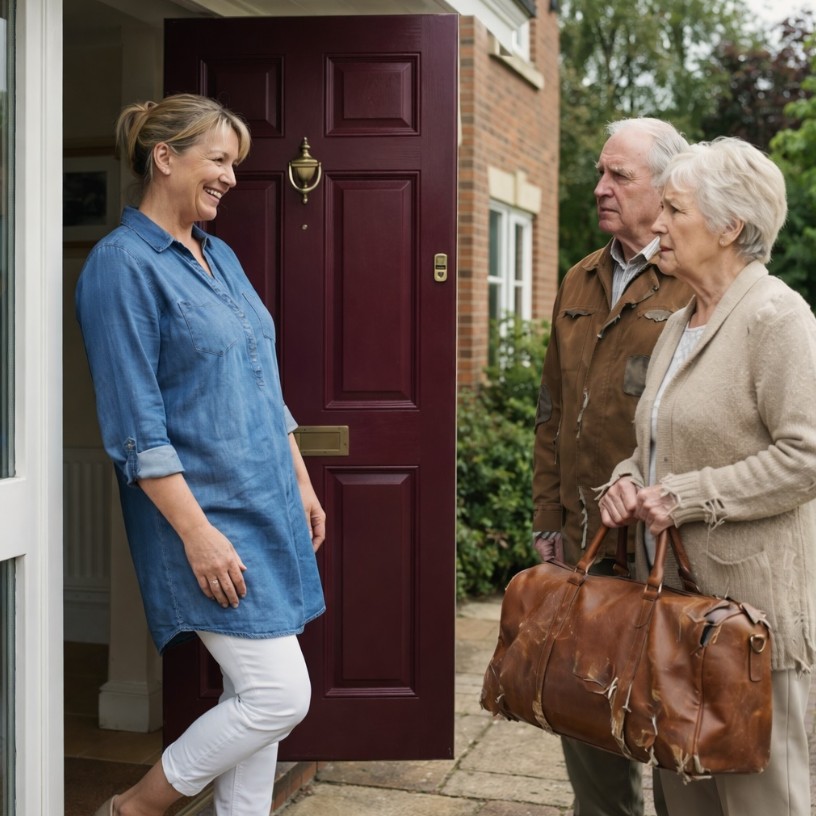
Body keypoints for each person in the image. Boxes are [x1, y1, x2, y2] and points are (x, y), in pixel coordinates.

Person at [75, 94, 326, 816]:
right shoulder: (121, 267)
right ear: (165, 158)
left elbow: (262, 379)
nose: (231, 177)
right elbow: (135, 428)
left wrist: (300, 482)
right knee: (280, 694)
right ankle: (136, 806)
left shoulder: (219, 256)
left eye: (232, 163)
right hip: (202, 512)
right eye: (218, 160)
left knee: (254, 694)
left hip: (263, 500)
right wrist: (196, 533)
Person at [598, 137, 816, 816]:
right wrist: (625, 480)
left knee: (762, 805)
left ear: (729, 227)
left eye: (675, 210)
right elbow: (657, 443)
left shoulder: (777, 317)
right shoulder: (680, 323)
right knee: (684, 801)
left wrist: (684, 497)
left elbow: (806, 456)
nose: (658, 224)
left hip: (748, 629)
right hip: (674, 615)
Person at [532, 117, 691, 816]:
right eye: (601, 172)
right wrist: (548, 518)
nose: (600, 187)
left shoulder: (692, 281)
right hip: (586, 543)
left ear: (665, 187)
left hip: (668, 550)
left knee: (672, 723)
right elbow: (552, 410)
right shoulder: (580, 277)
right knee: (588, 719)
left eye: (619, 175)